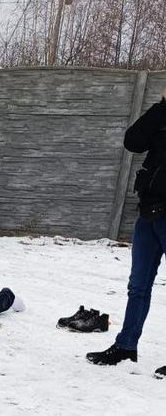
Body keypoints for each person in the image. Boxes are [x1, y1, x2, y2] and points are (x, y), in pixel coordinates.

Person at [87, 86, 166, 377]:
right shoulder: (160, 116)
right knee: (138, 285)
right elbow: (133, 141)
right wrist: (161, 107)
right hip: (149, 212)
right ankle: (126, 346)